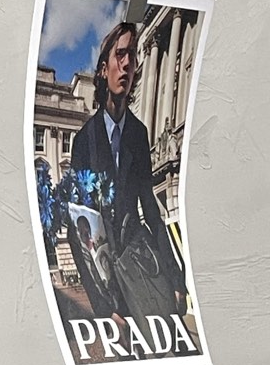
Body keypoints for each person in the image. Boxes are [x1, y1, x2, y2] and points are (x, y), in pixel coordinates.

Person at [69, 19, 186, 323]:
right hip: (110, 285)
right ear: (103, 69)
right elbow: (78, 230)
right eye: (119, 55)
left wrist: (176, 278)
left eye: (132, 56)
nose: (126, 64)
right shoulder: (84, 141)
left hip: (142, 267)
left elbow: (151, 211)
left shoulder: (138, 133)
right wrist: (102, 307)